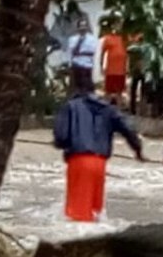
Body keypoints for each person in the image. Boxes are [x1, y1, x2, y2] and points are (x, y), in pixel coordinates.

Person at [53, 81, 145, 222]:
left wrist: (60, 144)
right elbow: (128, 129)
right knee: (95, 213)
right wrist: (138, 150)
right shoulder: (108, 109)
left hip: (78, 161)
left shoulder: (71, 106)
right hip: (100, 163)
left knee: (78, 216)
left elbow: (61, 135)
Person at [99, 20, 129, 108]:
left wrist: (127, 67)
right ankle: (105, 110)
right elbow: (103, 53)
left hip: (121, 70)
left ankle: (118, 111)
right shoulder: (108, 38)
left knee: (120, 92)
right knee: (108, 92)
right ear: (113, 27)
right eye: (116, 25)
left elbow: (128, 54)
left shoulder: (125, 38)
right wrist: (101, 66)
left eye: (120, 26)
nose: (118, 27)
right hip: (111, 70)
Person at [68, 18, 98, 95]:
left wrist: (80, 52)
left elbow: (92, 52)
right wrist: (80, 42)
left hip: (87, 65)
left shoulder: (92, 39)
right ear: (78, 28)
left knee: (87, 85)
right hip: (76, 64)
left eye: (84, 26)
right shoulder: (72, 39)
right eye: (81, 26)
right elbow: (73, 52)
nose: (83, 28)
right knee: (78, 86)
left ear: (87, 27)